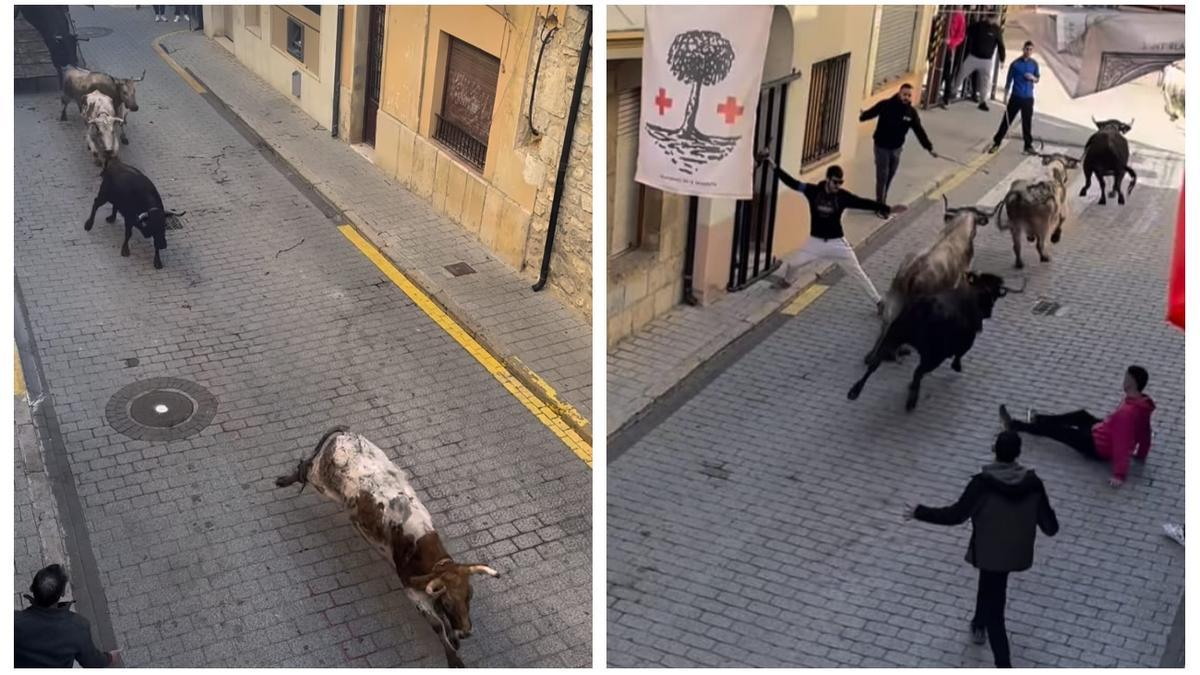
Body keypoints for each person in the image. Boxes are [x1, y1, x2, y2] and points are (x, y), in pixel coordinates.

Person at [907, 431, 1059, 668]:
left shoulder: (982, 485)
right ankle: (978, 623)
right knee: (991, 583)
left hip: (989, 551)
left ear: (994, 451)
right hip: (1016, 552)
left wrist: (920, 512)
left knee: (995, 614)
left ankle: (1003, 664)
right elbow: (1050, 527)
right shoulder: (1033, 484)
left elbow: (955, 515)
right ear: (1018, 454)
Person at [759, 155, 906, 312]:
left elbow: (863, 203)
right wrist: (772, 166)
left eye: (840, 182)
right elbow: (792, 183)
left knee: (857, 273)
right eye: (835, 182)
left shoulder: (843, 196)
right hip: (815, 242)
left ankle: (878, 302)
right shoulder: (812, 191)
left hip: (837, 244)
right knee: (793, 263)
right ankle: (787, 281)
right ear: (828, 179)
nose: (838, 185)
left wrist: (888, 209)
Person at [1000, 365, 1155, 489]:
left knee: (1060, 433)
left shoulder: (1126, 413)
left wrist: (1119, 474)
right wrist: (1142, 453)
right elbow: (1145, 430)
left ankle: (1015, 425)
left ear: (1131, 382)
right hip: (1102, 430)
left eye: (1126, 377)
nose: (1123, 380)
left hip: (1097, 445)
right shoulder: (1141, 403)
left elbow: (1122, 443)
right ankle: (1039, 419)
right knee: (1080, 416)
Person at [15, 564, 120, 668]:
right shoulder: (77, 627)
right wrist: (109, 658)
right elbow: (92, 662)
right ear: (63, 593)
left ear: (32, 588)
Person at [859, 83, 937, 208]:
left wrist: (929, 148)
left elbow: (919, 131)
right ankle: (880, 205)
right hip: (881, 147)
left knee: (890, 175)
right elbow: (870, 113)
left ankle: (882, 198)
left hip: (896, 149)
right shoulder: (886, 105)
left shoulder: (911, 113)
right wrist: (860, 116)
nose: (906, 97)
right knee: (882, 176)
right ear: (899, 93)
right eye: (904, 94)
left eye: (909, 95)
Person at [988, 41, 1040, 154]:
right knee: (1007, 120)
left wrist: (1033, 78)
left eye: (1031, 49)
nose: (1028, 51)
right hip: (1016, 96)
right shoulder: (1015, 64)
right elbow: (1008, 81)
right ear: (1023, 49)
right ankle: (997, 141)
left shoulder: (1034, 64)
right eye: (1027, 49)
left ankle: (1028, 145)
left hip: (1028, 98)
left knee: (1027, 122)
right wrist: (1005, 97)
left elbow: (1037, 78)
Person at [952, 12, 1006, 111]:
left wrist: (1002, 59)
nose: (991, 19)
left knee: (985, 82)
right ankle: (953, 92)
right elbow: (966, 31)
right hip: (973, 57)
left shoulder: (997, 30)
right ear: (986, 17)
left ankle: (982, 101)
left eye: (993, 17)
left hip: (986, 61)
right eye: (990, 17)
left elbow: (1001, 45)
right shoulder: (978, 26)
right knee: (961, 73)